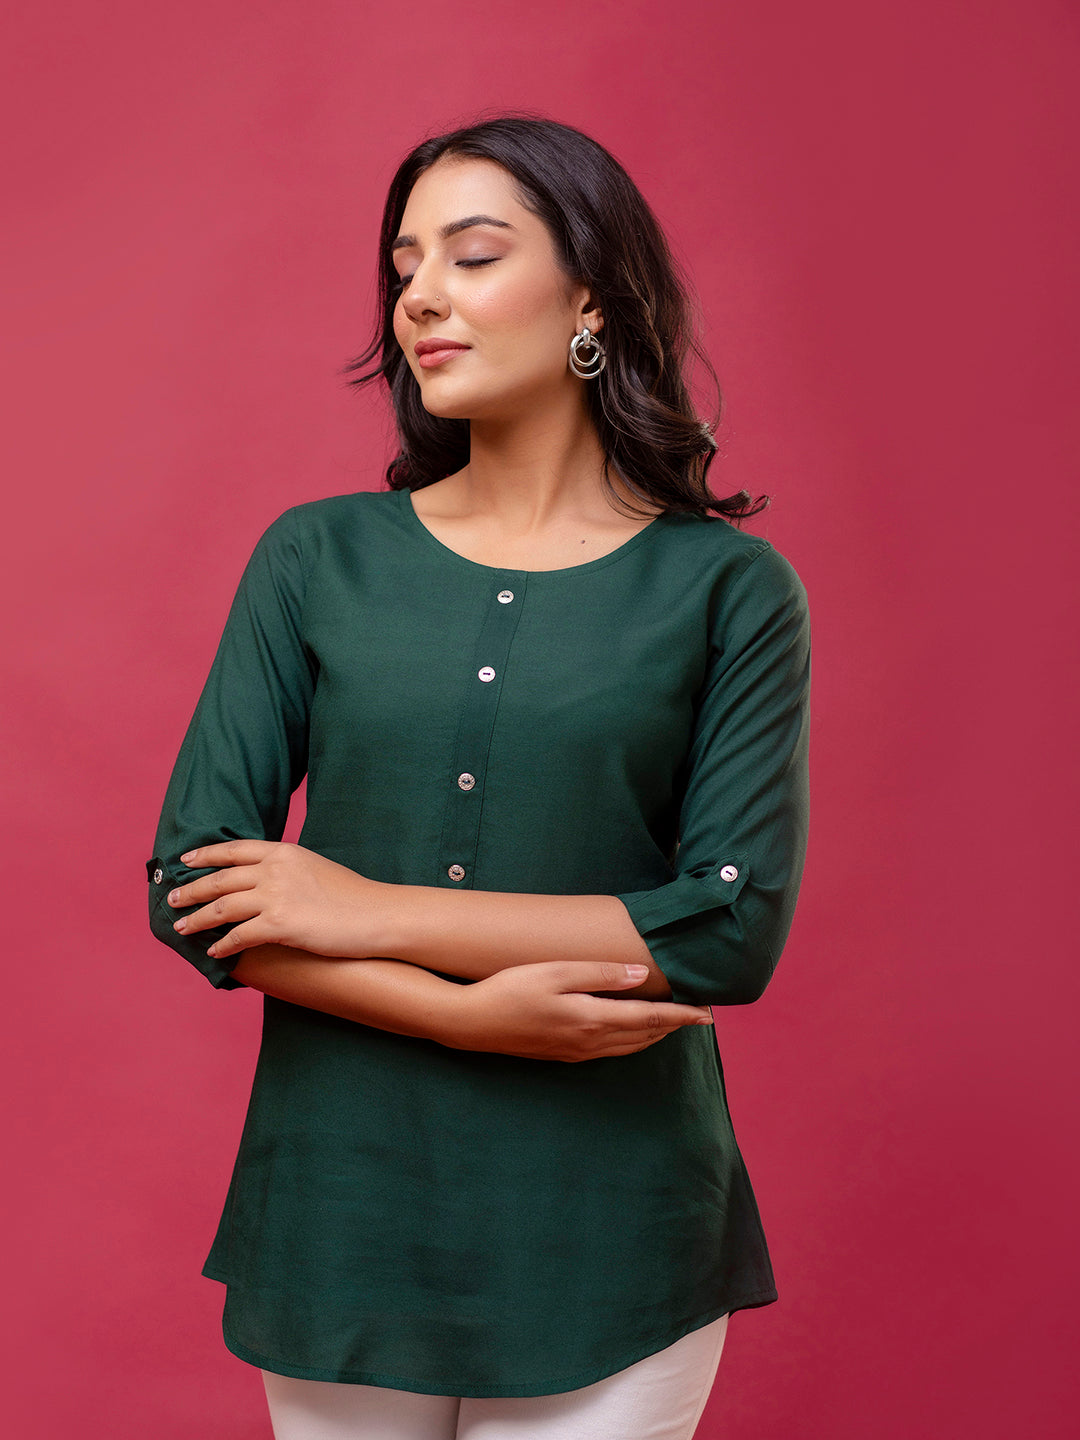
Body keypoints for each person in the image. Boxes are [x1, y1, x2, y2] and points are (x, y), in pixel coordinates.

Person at [147, 114, 811, 1440]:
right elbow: (196, 888)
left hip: (611, 1228)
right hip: (343, 1207)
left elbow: (727, 929)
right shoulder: (316, 559)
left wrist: (364, 909)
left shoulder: (729, 590)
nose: (420, 296)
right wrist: (469, 1017)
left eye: (473, 254)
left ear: (592, 297)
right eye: (404, 266)